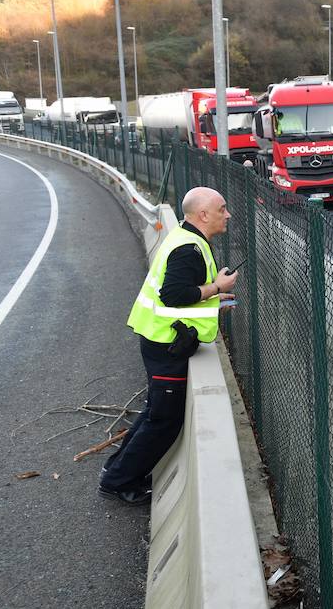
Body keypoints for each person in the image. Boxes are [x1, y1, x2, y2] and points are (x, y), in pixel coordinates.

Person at [100, 186, 237, 504]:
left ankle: (117, 470)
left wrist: (215, 298)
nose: (227, 214)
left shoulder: (186, 238)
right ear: (203, 215)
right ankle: (119, 482)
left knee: (154, 413)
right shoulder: (188, 249)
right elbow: (173, 295)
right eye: (222, 209)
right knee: (163, 420)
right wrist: (217, 286)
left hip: (161, 339)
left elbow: (183, 291)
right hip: (166, 346)